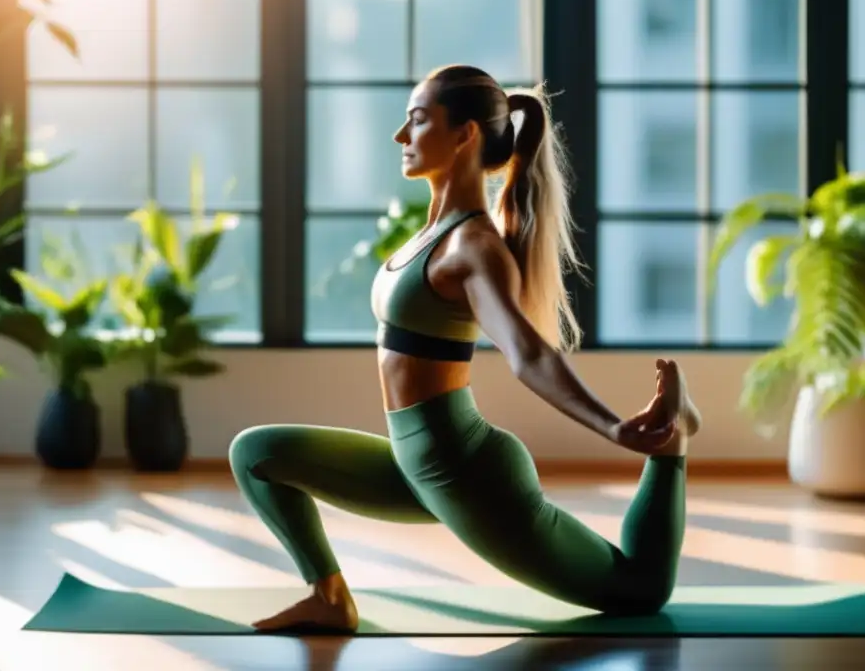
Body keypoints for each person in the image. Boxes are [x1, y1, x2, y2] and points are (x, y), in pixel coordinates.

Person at [228, 64, 702, 633]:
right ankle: (328, 598)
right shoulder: (431, 232)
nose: (401, 137)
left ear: (465, 135)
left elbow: (528, 355)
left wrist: (616, 430)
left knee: (638, 592)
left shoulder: (475, 247)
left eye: (419, 120)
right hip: (413, 460)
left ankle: (670, 445)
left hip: (464, 472)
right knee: (256, 455)